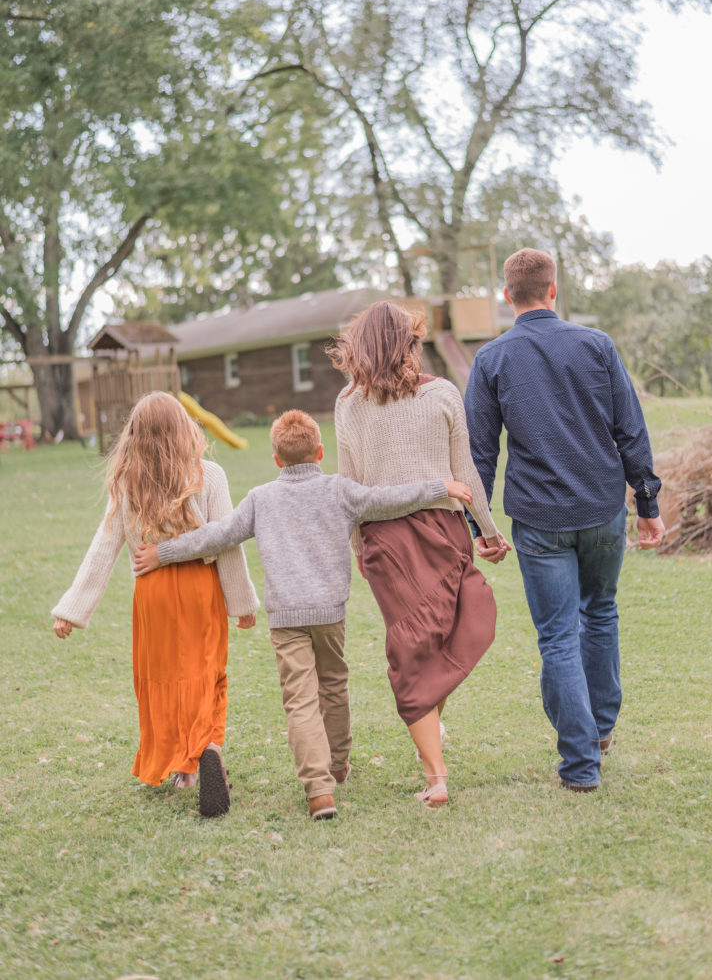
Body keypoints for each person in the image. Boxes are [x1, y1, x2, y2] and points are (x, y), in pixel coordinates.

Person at [134, 408, 474, 820]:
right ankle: (337, 765)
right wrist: (442, 486)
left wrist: (161, 553)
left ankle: (319, 791)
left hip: (286, 619)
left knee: (299, 701)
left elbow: (215, 536)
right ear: (320, 452)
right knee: (333, 686)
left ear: (276, 460)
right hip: (330, 614)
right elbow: (389, 500)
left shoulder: (261, 498)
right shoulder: (340, 490)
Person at [464, 248, 665, 792]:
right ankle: (599, 731)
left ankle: (580, 764)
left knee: (557, 637)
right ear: (554, 290)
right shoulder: (596, 345)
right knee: (599, 615)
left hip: (540, 519)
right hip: (603, 510)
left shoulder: (491, 360)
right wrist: (647, 505)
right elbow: (632, 430)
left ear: (508, 297)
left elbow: (479, 454)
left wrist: (478, 526)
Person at [329, 301, 508, 809]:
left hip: (415, 537)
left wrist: (487, 532)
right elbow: (461, 475)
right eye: (413, 338)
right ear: (406, 343)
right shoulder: (361, 402)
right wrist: (488, 533)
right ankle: (436, 776)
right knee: (414, 650)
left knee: (449, 632)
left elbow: (353, 485)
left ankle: (429, 728)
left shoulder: (414, 397)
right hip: (412, 535)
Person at [51, 392, 259, 818]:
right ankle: (208, 747)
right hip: (203, 589)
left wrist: (71, 608)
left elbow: (103, 549)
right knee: (207, 672)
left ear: (134, 435)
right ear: (186, 428)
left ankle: (180, 766)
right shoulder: (210, 476)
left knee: (161, 680)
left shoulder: (129, 481)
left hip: (153, 594)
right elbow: (226, 542)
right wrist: (242, 601)